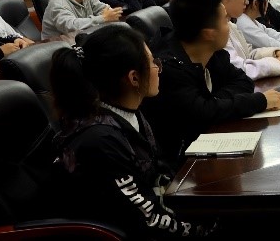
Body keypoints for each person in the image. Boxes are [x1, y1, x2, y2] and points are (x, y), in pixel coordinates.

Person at [50, 23, 216, 238]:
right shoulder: (100, 140)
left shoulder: (127, 111)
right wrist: (205, 228)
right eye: (153, 62)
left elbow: (158, 173)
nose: (159, 68)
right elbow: (146, 220)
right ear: (134, 78)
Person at [143, 0, 280, 163]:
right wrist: (259, 101)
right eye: (225, 21)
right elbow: (200, 116)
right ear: (208, 34)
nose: (229, 27)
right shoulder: (168, 68)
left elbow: (243, 81)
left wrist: (212, 102)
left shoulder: (211, 51)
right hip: (181, 165)